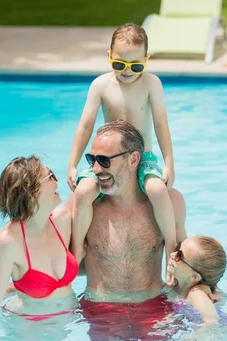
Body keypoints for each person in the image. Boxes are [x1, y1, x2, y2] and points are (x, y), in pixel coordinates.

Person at [66, 120, 186, 341]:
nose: (96, 170)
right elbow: (56, 259)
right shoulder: (82, 207)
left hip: (154, 306)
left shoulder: (168, 204)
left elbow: (185, 264)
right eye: (92, 161)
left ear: (133, 160)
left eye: (105, 160)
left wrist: (204, 293)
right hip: (99, 307)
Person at [67, 22, 178, 276]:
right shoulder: (101, 85)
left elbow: (161, 125)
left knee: (158, 190)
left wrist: (169, 163)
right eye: (119, 64)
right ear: (109, 56)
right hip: (107, 158)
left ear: (146, 60)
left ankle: (171, 250)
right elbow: (85, 126)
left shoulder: (151, 84)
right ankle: (78, 249)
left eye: (136, 66)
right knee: (83, 192)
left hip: (143, 158)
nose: (127, 72)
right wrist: (73, 163)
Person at [0, 156, 79, 340]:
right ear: (32, 193)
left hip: (70, 326)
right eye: (51, 176)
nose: (57, 180)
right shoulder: (9, 242)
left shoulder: (61, 220)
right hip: (29, 333)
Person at [165, 236, 227, 326]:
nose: (172, 254)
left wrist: (194, 337)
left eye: (179, 256)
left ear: (194, 276)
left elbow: (211, 321)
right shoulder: (176, 283)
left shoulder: (197, 292)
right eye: (178, 248)